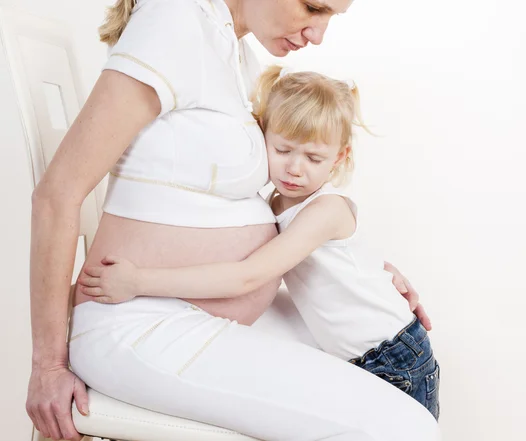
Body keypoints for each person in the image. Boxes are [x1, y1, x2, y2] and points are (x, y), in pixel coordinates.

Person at [26, 1, 440, 440]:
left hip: (186, 306)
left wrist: (357, 274)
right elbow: (56, 196)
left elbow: (243, 207)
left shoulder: (237, 52)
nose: (317, 34)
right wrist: (48, 366)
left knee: (380, 345)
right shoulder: (175, 25)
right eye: (313, 7)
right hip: (143, 324)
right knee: (407, 428)